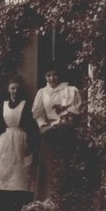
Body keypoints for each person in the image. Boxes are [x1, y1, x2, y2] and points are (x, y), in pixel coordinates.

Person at [31, 67, 82, 202]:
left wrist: (58, 124)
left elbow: (72, 111)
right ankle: (46, 201)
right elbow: (38, 113)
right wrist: (43, 125)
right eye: (48, 75)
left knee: (63, 165)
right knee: (48, 165)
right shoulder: (42, 92)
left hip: (65, 131)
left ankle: (63, 201)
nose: (52, 78)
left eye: (55, 75)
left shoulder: (69, 90)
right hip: (49, 133)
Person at [0, 78, 36, 211]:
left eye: (17, 88)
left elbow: (31, 124)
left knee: (20, 173)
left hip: (21, 139)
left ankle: (19, 208)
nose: (15, 91)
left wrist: (29, 142)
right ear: (8, 89)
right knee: (5, 172)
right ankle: (4, 206)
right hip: (5, 140)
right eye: (12, 88)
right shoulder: (3, 104)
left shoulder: (25, 104)